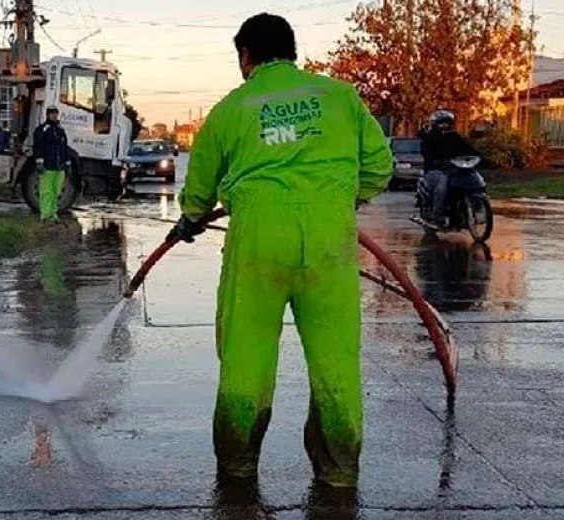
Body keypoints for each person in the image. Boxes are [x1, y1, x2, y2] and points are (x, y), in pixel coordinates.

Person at [169, 13, 393, 487]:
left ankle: (237, 466)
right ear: (293, 52)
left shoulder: (233, 107)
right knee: (336, 362)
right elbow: (378, 167)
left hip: (257, 243)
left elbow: (200, 187)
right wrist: (338, 198)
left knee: (246, 359)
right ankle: (338, 472)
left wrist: (191, 216)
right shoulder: (339, 97)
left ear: (247, 57)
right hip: (329, 242)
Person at [418, 110, 480, 225]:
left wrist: (480, 157)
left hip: (453, 169)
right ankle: (437, 216)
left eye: (447, 123)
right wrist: (435, 160)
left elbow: (467, 148)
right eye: (441, 123)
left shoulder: (455, 137)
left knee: (471, 178)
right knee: (442, 184)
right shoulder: (429, 137)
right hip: (434, 170)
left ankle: (476, 208)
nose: (444, 126)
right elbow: (426, 152)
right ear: (435, 124)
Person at [32, 106, 70, 222]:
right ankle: (45, 215)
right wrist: (39, 161)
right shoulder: (42, 130)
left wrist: (67, 163)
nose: (54, 115)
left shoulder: (60, 130)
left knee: (56, 192)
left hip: (59, 167)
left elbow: (64, 148)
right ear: (47, 115)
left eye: (56, 113)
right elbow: (38, 146)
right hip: (47, 166)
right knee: (46, 191)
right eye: (52, 113)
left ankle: (53, 213)